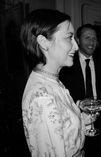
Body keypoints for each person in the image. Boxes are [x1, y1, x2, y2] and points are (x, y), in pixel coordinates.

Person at [20, 9, 93, 157]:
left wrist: (81, 118)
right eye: (69, 37)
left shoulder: (51, 80)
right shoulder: (42, 98)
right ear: (43, 42)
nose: (76, 46)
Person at [60, 24, 101, 157]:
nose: (92, 42)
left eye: (94, 38)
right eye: (87, 38)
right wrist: (80, 104)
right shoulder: (67, 64)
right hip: (78, 120)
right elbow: (64, 95)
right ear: (78, 40)